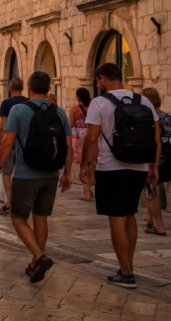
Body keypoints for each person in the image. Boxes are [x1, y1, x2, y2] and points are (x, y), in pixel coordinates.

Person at [82, 63, 161, 289]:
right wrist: (153, 166)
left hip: (110, 167)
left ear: (103, 79)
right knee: (130, 216)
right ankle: (128, 265)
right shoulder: (143, 101)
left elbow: (91, 139)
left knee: (116, 218)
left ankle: (126, 273)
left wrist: (86, 165)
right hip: (139, 167)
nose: (98, 84)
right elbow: (155, 138)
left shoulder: (99, 102)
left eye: (98, 80)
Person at [0, 71, 72, 283]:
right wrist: (68, 173)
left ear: (29, 87)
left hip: (26, 174)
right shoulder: (59, 112)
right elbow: (68, 146)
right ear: (48, 89)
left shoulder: (19, 110)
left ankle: (39, 256)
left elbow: (7, 142)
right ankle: (36, 264)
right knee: (41, 217)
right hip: (52, 174)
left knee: (18, 217)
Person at [0, 77, 28, 214]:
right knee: (24, 172)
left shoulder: (6, 103)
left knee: (7, 171)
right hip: (25, 143)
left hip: (10, 141)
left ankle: (9, 201)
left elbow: (2, 125)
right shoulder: (28, 102)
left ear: (10, 89)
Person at [143, 88, 170, 236]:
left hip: (155, 160)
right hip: (167, 159)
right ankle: (149, 218)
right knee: (154, 190)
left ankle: (159, 226)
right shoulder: (167, 117)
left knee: (151, 191)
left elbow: (155, 141)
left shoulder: (151, 120)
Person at [70, 88, 93, 201]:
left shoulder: (75, 109)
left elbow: (69, 125)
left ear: (78, 97)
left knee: (83, 165)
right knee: (89, 164)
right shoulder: (93, 108)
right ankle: (89, 188)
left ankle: (87, 192)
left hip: (79, 137)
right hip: (91, 134)